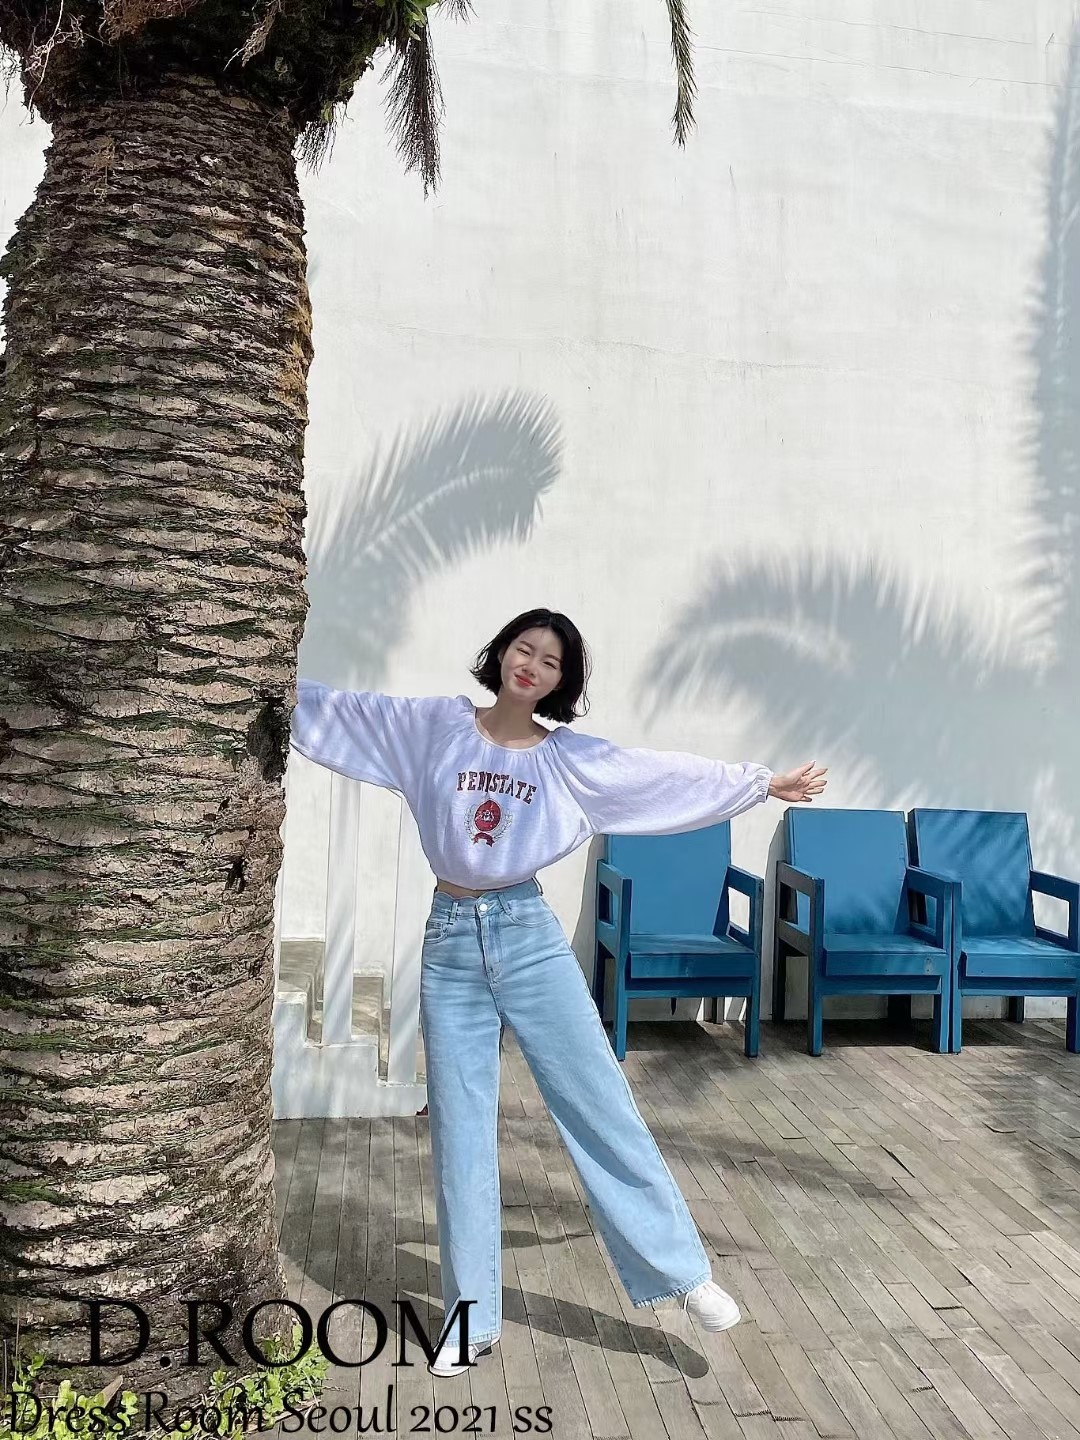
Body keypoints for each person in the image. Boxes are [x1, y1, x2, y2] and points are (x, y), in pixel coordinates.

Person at [288, 608, 827, 1378]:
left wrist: (759, 783)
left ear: (560, 682)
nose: (532, 665)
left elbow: (658, 775)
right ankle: (469, 1321)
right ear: (501, 653)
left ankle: (684, 1275)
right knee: (460, 1129)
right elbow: (347, 712)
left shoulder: (569, 760)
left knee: (598, 1100)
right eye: (524, 648)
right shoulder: (434, 729)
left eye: (550, 661)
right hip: (450, 942)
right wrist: (259, 678)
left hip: (527, 936)